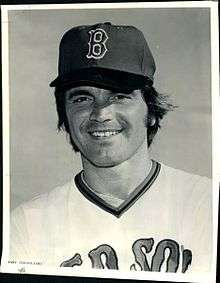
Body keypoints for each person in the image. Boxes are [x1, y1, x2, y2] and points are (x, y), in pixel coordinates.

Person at [10, 22, 212, 275]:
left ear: (150, 112)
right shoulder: (27, 225)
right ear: (66, 117)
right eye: (82, 98)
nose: (101, 113)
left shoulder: (207, 204)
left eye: (119, 96)